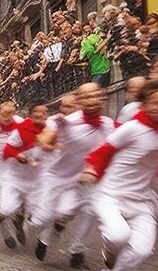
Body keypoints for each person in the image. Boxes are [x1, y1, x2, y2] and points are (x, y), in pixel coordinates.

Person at [82, 79, 158, 271]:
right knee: (118, 234)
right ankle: (110, 252)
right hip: (111, 195)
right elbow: (102, 152)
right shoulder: (131, 128)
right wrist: (92, 170)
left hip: (143, 201)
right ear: (144, 104)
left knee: (142, 249)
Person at [29, 86, 114, 262]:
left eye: (96, 96)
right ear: (80, 100)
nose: (92, 100)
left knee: (68, 212)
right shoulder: (61, 121)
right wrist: (56, 136)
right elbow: (42, 140)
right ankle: (43, 235)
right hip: (56, 176)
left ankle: (67, 241)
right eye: (87, 97)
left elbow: (113, 149)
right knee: (39, 221)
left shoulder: (107, 124)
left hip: (82, 179)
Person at [0, 101, 50, 249]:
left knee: (36, 216)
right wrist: (19, 155)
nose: (40, 115)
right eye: (36, 113)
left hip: (36, 181)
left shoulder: (51, 130)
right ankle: (1, 218)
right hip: (15, 178)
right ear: (31, 115)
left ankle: (20, 220)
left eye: (43, 112)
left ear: (47, 115)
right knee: (7, 209)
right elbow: (7, 150)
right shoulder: (21, 130)